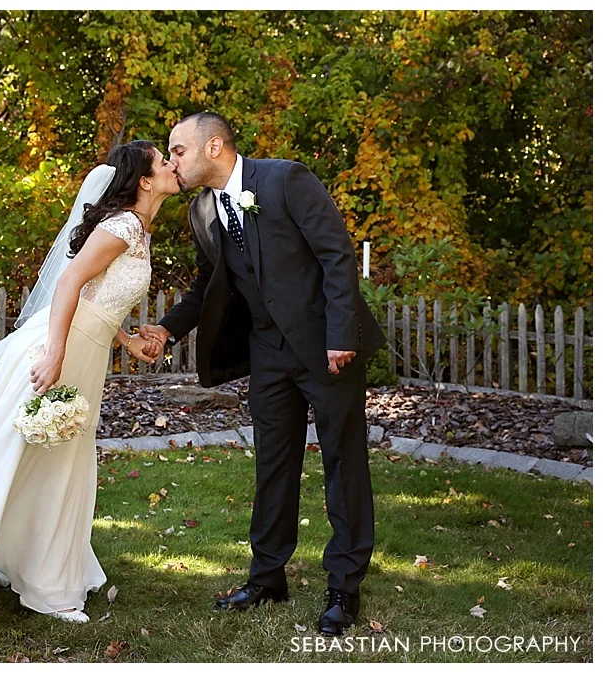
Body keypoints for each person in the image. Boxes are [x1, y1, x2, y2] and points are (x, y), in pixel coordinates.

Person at [0, 140, 179, 634]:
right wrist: (53, 355)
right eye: (164, 161)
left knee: (59, 466)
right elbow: (69, 281)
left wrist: (126, 341)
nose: (174, 166)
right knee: (4, 460)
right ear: (144, 179)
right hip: (58, 351)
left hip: (86, 353)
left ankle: (43, 578)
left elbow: (96, 294)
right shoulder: (122, 226)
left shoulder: (139, 229)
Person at [139, 113, 386, 636]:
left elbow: (335, 253)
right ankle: (267, 575)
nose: (173, 161)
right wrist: (168, 330)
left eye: (177, 150)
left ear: (214, 146)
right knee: (273, 463)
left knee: (344, 460)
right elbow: (209, 284)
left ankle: (344, 585)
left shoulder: (284, 179)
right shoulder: (203, 210)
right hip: (267, 353)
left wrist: (341, 332)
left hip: (326, 347)